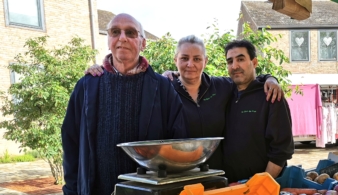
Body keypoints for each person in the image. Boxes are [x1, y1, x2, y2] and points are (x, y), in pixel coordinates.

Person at [86, 35, 284, 170]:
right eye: (185, 58)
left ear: (205, 61)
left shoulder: (222, 87)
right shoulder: (164, 89)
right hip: (178, 179)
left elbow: (247, 80)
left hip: (217, 176)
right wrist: (101, 72)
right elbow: (130, 80)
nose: (191, 64)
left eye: (197, 58)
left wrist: (270, 78)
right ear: (175, 60)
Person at [62, 13, 187, 195]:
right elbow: (71, 144)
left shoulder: (162, 87)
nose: (122, 38)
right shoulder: (87, 85)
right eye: (115, 32)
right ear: (109, 40)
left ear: (143, 42)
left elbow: (178, 143)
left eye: (130, 32)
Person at [223, 39, 294, 183]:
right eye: (230, 61)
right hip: (229, 186)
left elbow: (281, 150)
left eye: (241, 59)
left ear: (254, 63)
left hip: (261, 189)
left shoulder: (271, 96)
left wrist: (258, 185)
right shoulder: (224, 93)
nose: (235, 66)